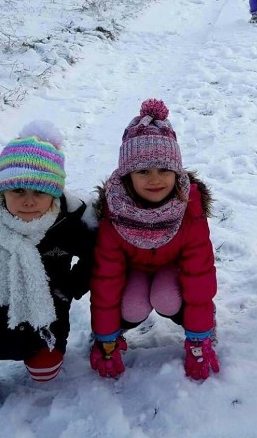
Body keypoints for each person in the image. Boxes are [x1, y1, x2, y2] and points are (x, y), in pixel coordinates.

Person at [0, 121, 97, 418]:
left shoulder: (67, 223)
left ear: (54, 193)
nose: (27, 200)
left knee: (45, 371)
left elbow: (96, 256)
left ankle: (37, 351)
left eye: (39, 191)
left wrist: (69, 289)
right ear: (1, 191)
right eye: (17, 190)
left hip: (44, 309)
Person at [89, 99, 219, 381]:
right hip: (133, 272)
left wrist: (200, 334)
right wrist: (105, 336)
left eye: (164, 170)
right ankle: (117, 332)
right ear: (127, 175)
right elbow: (106, 277)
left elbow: (199, 274)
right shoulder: (114, 211)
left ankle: (202, 330)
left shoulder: (189, 210)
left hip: (173, 272)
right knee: (133, 305)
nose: (155, 180)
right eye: (143, 171)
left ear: (177, 172)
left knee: (166, 298)